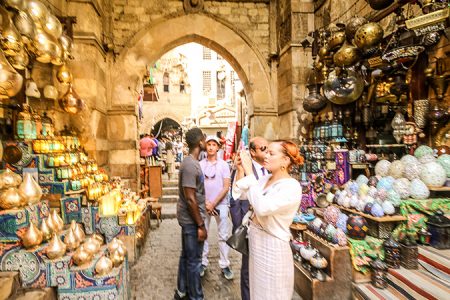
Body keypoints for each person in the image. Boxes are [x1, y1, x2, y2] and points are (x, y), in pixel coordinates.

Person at [233, 140, 303, 300]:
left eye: (271, 153)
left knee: (273, 294)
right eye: (266, 152)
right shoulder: (264, 180)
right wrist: (241, 170)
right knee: (257, 292)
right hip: (256, 243)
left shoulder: (291, 186)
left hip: (273, 246)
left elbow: (262, 207)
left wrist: (250, 172)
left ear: (285, 160)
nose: (266, 156)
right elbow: (240, 192)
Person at [229, 136, 268, 300]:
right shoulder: (244, 167)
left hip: (268, 228)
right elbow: (236, 198)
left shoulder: (271, 168)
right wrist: (238, 226)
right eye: (264, 149)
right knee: (248, 270)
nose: (268, 153)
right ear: (252, 151)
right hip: (251, 226)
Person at [174, 128, 207, 300]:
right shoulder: (189, 165)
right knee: (194, 261)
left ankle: (181, 290)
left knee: (187, 256)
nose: (206, 141)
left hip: (192, 219)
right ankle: (196, 296)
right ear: (199, 142)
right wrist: (200, 225)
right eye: (204, 138)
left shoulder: (192, 163)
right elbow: (190, 199)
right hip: (192, 222)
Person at [199, 135, 233, 280]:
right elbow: (198, 186)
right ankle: (203, 262)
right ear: (206, 146)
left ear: (218, 147)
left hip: (221, 204)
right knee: (203, 234)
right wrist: (207, 202)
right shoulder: (200, 165)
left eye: (214, 144)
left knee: (223, 235)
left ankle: (225, 264)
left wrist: (214, 203)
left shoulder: (224, 165)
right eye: (209, 144)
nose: (211, 147)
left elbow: (226, 187)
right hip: (205, 204)